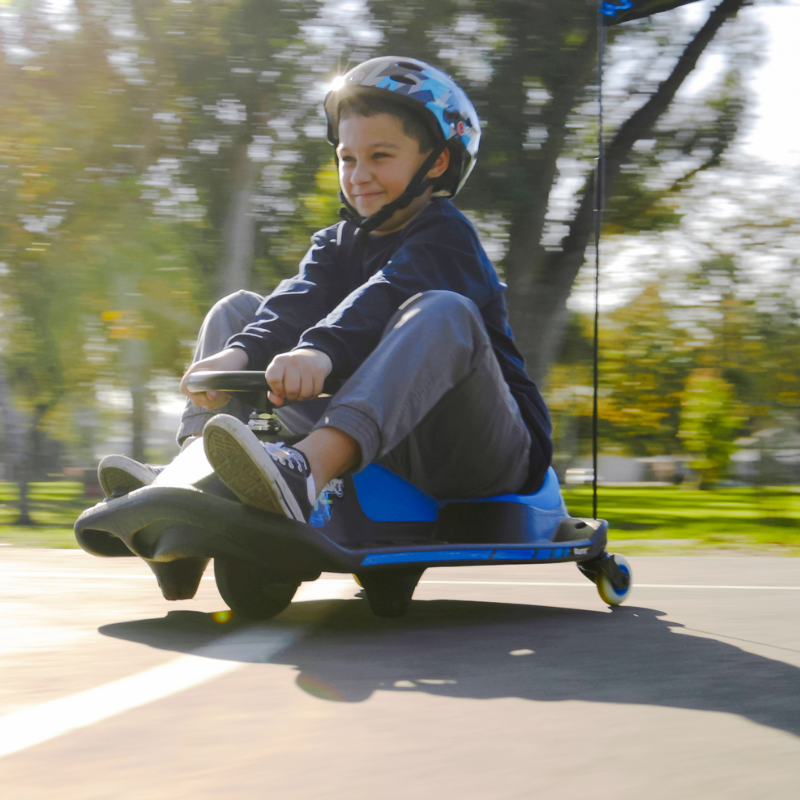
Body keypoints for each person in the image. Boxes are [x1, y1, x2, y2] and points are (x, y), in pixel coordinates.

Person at [98, 56, 554, 524]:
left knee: (442, 310)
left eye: (380, 156)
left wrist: (319, 351)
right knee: (238, 311)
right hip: (386, 439)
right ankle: (194, 477)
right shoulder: (336, 243)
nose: (359, 175)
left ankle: (306, 475)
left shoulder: (449, 239)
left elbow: (388, 292)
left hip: (479, 448)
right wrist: (237, 355)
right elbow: (298, 299)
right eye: (347, 158)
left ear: (437, 161)